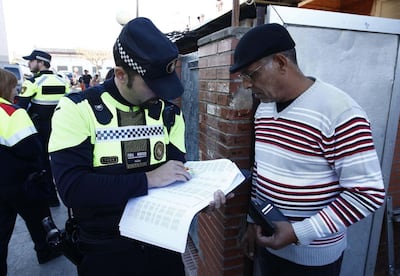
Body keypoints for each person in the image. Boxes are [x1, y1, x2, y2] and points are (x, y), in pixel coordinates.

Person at [48, 17, 231, 276]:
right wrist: (148, 179)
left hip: (163, 249)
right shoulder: (77, 109)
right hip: (106, 252)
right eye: (153, 85)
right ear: (122, 75)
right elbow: (72, 188)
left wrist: (201, 196)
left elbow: (176, 176)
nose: (162, 94)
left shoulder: (169, 114)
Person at [229, 23, 386, 276]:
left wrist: (299, 233)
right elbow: (262, 170)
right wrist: (252, 220)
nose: (247, 85)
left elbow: (367, 193)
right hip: (269, 246)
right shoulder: (265, 109)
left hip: (315, 261)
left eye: (251, 74)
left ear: (281, 62)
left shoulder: (340, 112)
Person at [0, 69, 61, 275]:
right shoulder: (13, 113)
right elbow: (31, 149)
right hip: (21, 182)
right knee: (40, 221)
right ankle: (47, 251)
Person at [15, 50, 70, 207]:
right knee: (61, 160)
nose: (29, 64)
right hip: (61, 127)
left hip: (40, 129)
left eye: (31, 61)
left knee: (43, 164)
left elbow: (21, 108)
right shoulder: (62, 81)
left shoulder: (32, 82)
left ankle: (51, 198)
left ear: (40, 62)